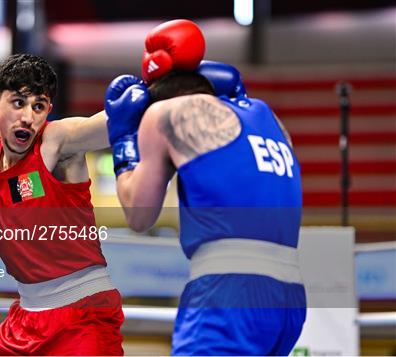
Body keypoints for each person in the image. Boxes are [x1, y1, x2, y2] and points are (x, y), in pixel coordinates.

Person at [105, 20, 306, 355]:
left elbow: (139, 215)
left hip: (228, 291)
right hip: (290, 298)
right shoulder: (269, 116)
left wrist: (124, 140)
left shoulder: (163, 114)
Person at [0, 53, 123, 356]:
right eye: (18, 103)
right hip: (26, 316)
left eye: (38, 106)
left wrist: (152, 94)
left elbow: (108, 125)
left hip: (83, 314)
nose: (28, 117)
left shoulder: (57, 141)